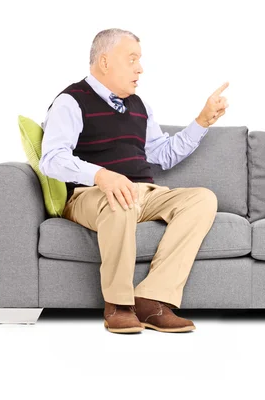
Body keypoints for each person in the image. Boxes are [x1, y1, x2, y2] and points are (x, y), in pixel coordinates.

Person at [40, 28, 229, 334]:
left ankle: (150, 299)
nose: (140, 68)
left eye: (139, 60)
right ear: (105, 62)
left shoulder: (140, 106)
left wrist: (202, 121)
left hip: (142, 192)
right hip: (91, 196)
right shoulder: (71, 102)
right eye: (132, 59)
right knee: (120, 199)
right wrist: (100, 175)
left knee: (202, 198)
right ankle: (118, 304)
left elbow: (163, 154)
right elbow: (51, 159)